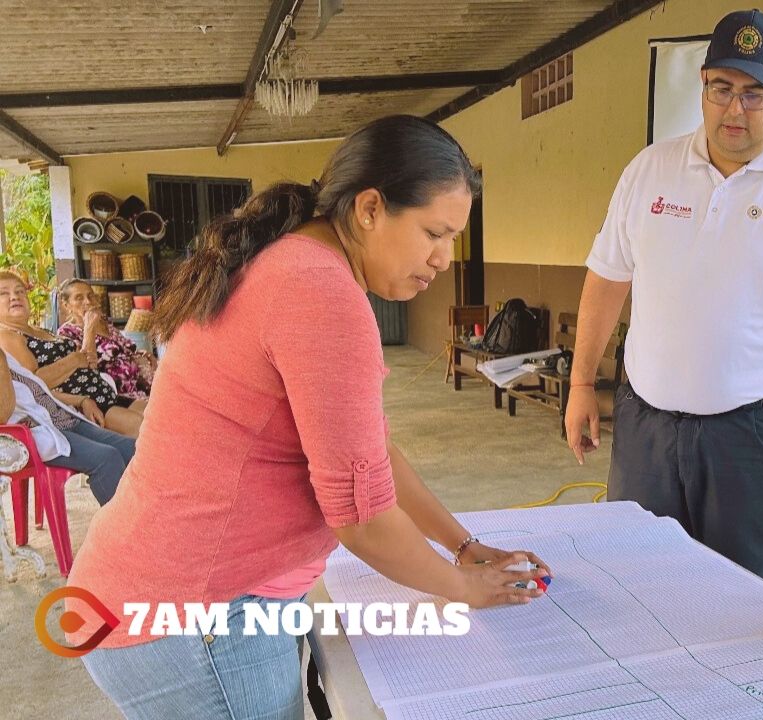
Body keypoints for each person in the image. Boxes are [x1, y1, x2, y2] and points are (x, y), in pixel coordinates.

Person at [68, 115, 552, 719]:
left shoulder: (289, 261)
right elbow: (363, 519)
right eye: (434, 232)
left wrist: (461, 546)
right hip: (195, 619)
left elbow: (371, 453)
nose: (443, 259)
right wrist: (463, 591)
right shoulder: (317, 291)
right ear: (371, 208)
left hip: (167, 597)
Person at [565, 9, 763, 592]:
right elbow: (606, 280)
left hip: (754, 434)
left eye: (755, 94)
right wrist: (581, 384)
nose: (736, 110)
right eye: (722, 89)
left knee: (748, 595)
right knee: (638, 582)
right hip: (647, 427)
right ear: (702, 83)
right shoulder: (649, 170)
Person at [0, 272, 146, 437]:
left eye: (20, 291)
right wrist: (75, 359)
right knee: (146, 431)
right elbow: (34, 382)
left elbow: (89, 362)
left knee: (161, 414)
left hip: (105, 392)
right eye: (4, 293)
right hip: (83, 406)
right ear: (65, 304)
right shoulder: (8, 336)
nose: (14, 297)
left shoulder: (40, 331)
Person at [2, 349, 135, 505]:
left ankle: (151, 514)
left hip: (62, 420)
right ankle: (123, 527)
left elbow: (40, 392)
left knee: (134, 448)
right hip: (34, 434)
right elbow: (3, 414)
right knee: (107, 459)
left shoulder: (8, 356)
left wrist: (81, 400)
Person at [57, 278, 156, 405]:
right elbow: (86, 368)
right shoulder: (67, 333)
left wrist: (142, 355)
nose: (87, 301)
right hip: (111, 397)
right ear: (67, 305)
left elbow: (123, 351)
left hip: (139, 388)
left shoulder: (105, 323)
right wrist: (89, 328)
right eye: (79, 298)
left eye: (90, 296)